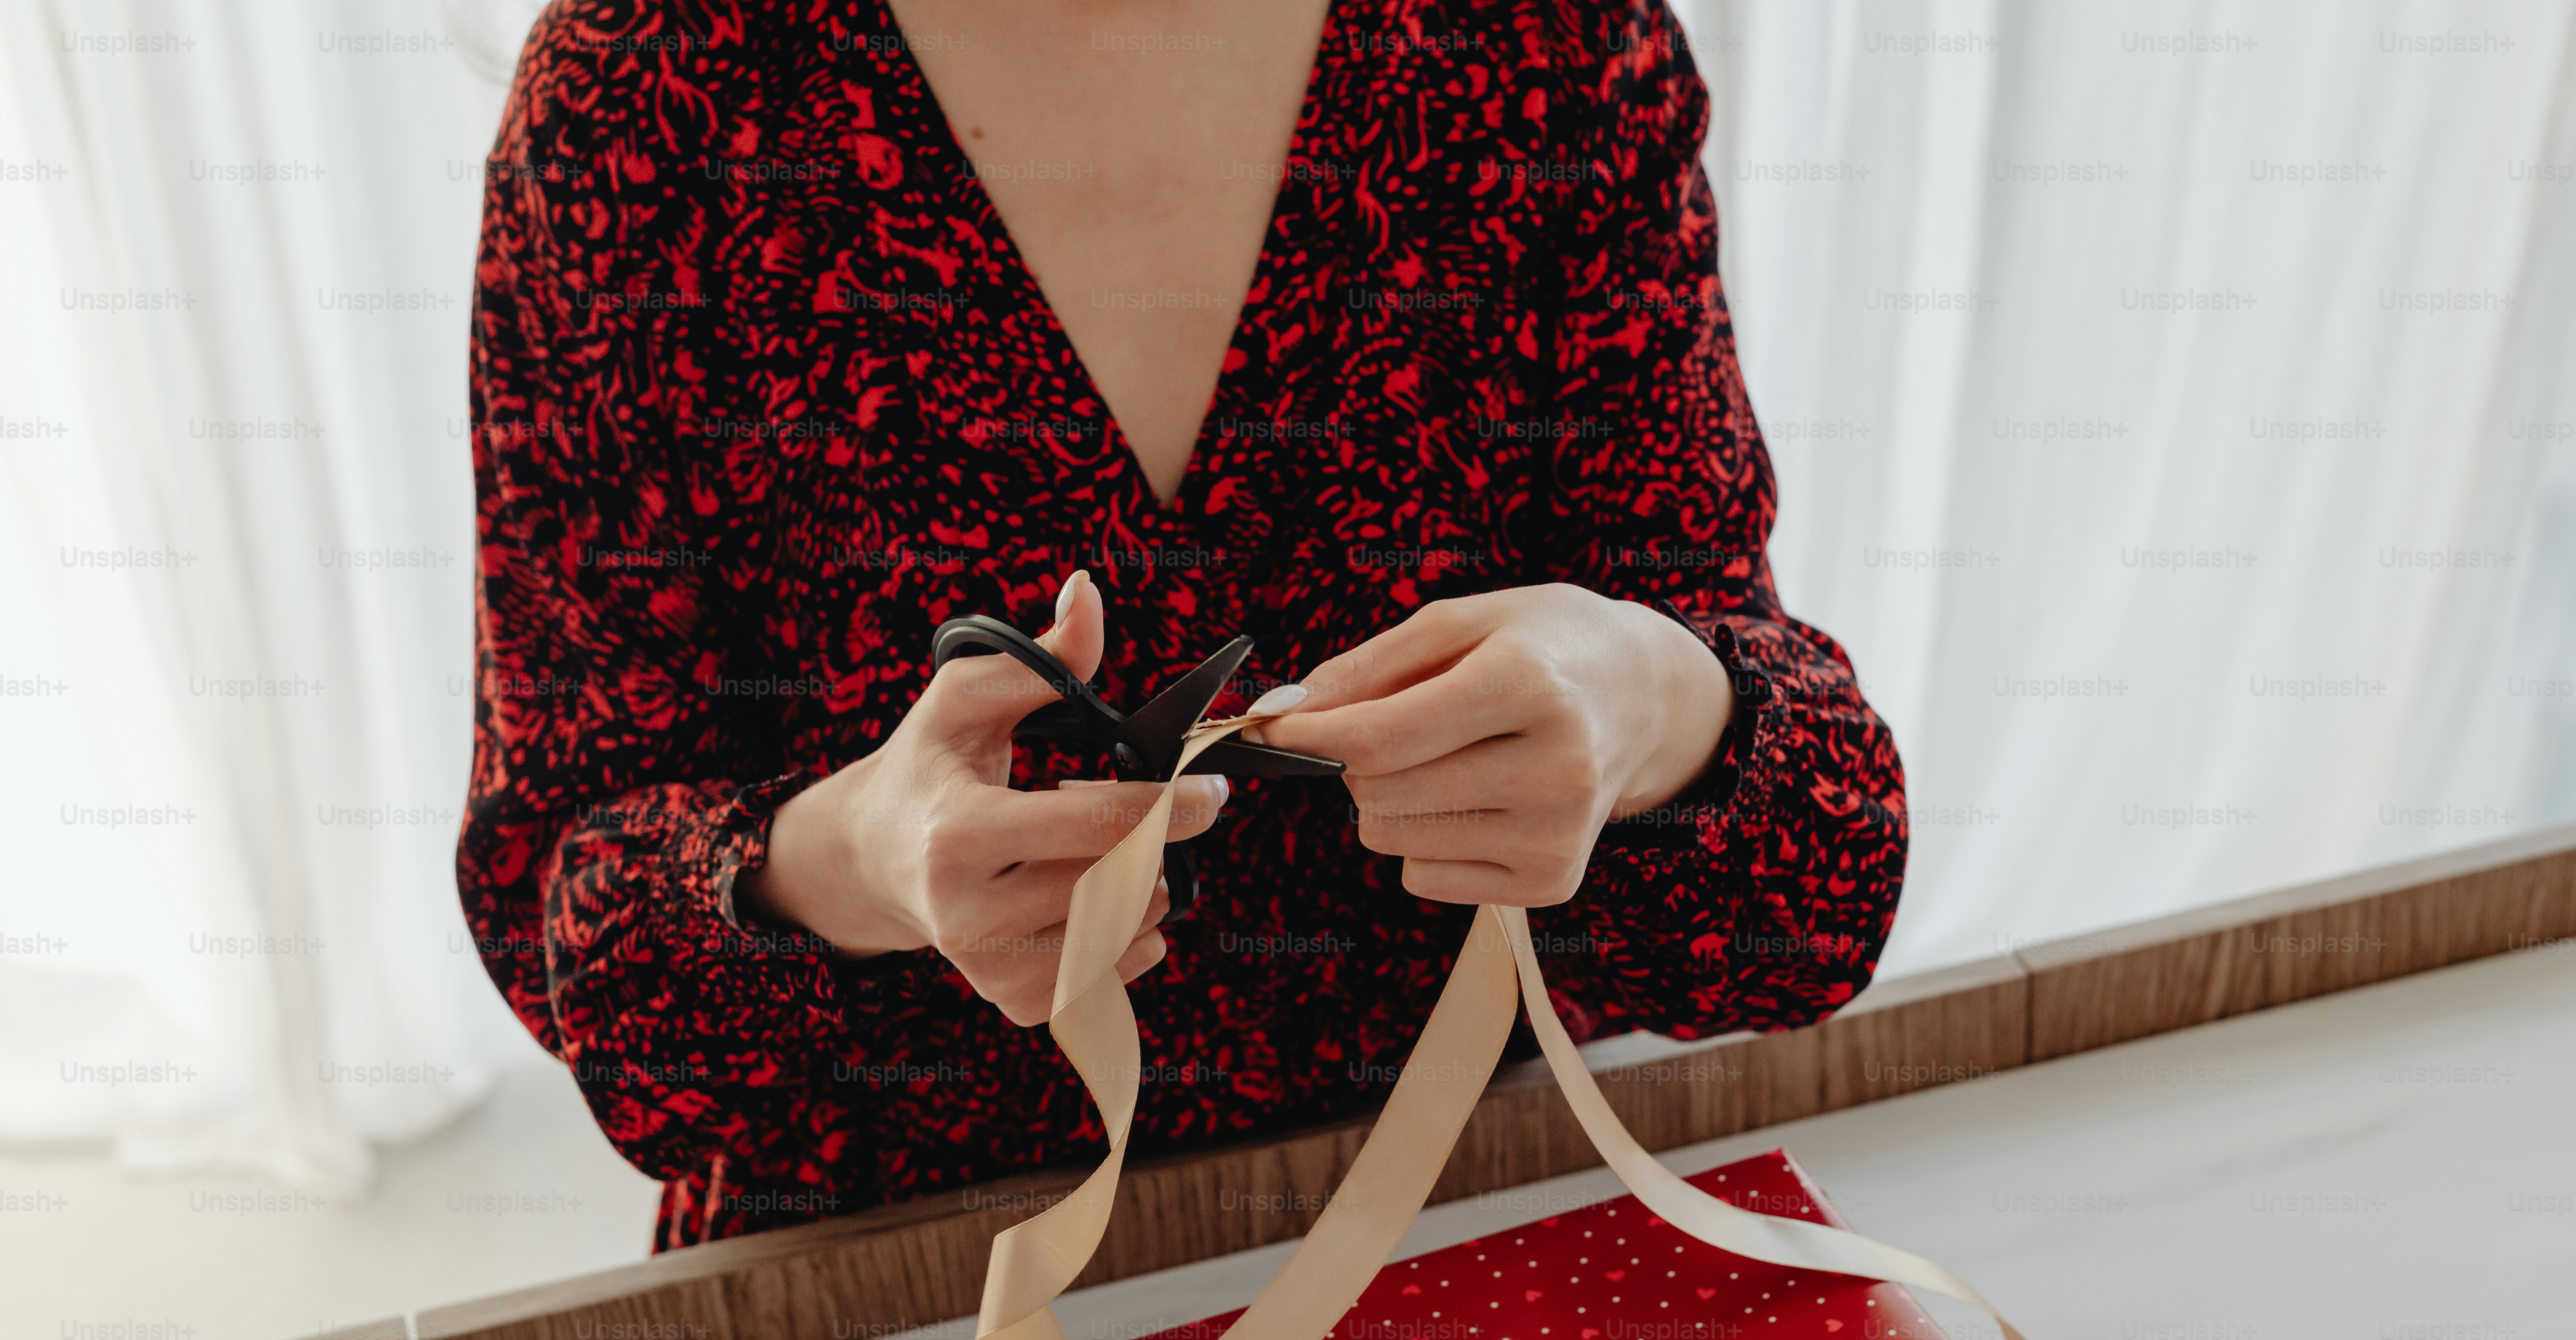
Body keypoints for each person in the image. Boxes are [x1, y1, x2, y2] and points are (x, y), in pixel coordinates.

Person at [457, 0, 1906, 1252]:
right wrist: (852, 866)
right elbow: (579, 943)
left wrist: (1657, 708)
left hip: (1481, 1258)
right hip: (893, 1322)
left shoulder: (1544, 35)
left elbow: (1817, 911)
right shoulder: (641, 89)